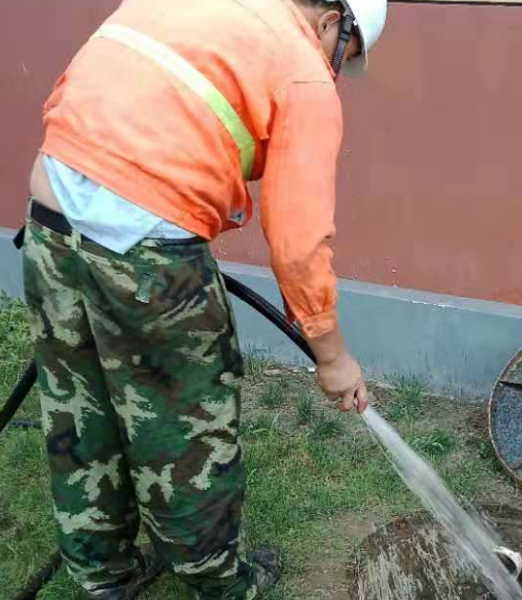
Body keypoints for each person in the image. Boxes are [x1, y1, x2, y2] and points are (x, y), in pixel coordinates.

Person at [21, 0, 388, 598]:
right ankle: (218, 585)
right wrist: (332, 357)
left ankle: (103, 575)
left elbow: (75, 90)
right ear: (331, 21)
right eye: (343, 58)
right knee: (186, 431)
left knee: (80, 409)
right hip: (148, 259)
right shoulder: (300, 69)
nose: (335, 72)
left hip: (49, 222)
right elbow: (299, 245)